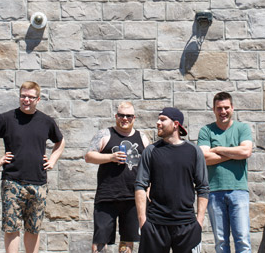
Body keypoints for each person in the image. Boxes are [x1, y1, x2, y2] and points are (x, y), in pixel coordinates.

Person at [0, 81, 65, 253]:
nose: (26, 100)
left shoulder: (46, 121)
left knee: (33, 228)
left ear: (38, 99)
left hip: (38, 183)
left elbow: (60, 141)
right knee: (12, 228)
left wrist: (53, 160)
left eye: (30, 97)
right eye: (23, 96)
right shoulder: (6, 118)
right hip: (12, 182)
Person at [135, 107, 209, 253]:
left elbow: (203, 188)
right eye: (158, 119)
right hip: (155, 225)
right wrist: (143, 221)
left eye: (163, 119)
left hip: (186, 226)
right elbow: (140, 186)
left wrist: (199, 223)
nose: (158, 123)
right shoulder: (151, 151)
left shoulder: (193, 151)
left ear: (176, 124)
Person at [85, 101, 151, 253]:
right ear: (116, 116)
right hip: (107, 196)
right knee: (100, 242)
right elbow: (89, 156)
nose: (125, 119)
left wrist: (149, 189)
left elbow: (151, 165)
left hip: (132, 197)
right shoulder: (105, 134)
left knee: (127, 243)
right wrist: (111, 157)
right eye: (121, 115)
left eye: (129, 116)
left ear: (135, 118)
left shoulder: (142, 137)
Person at [197, 92, 253, 253]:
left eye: (226, 108)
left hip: (238, 190)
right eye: (219, 108)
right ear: (214, 110)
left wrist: (219, 149)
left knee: (242, 239)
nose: (223, 111)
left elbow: (246, 152)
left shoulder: (242, 128)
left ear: (232, 108)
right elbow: (204, 158)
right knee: (221, 242)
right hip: (214, 191)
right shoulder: (206, 131)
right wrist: (233, 154)